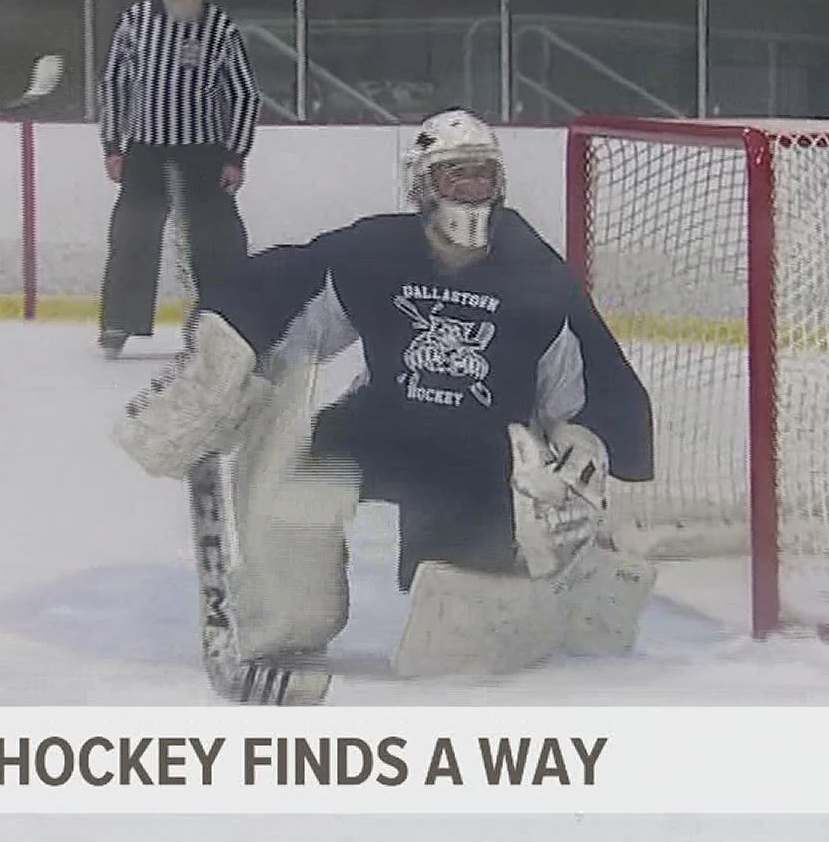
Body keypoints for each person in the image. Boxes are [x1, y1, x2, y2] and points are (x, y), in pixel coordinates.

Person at [115, 108, 656, 684]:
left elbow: (586, 371)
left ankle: (524, 584)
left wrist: (588, 434)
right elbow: (294, 287)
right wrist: (230, 337)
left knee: (460, 630)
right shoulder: (380, 252)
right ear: (423, 185)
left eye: (482, 176)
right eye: (455, 176)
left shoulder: (534, 272)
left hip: (476, 458)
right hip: (380, 427)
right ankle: (289, 616)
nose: (471, 191)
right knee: (296, 484)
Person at [95, 0, 260, 357]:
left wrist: (235, 156)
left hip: (202, 151)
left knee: (219, 238)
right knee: (133, 233)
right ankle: (119, 322)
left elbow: (243, 93)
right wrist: (113, 145)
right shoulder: (136, 21)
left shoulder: (219, 27)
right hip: (146, 149)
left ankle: (218, 320)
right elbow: (115, 83)